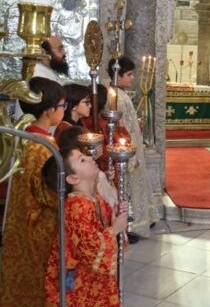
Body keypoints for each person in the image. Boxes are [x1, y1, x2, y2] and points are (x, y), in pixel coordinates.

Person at [0, 77, 66, 305]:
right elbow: (49, 194)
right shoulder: (43, 147)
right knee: (38, 278)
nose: (64, 110)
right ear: (49, 110)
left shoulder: (24, 134)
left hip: (18, 215)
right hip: (38, 222)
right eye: (62, 105)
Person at [44, 147, 127, 307]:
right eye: (82, 159)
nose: (90, 158)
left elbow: (105, 230)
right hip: (80, 281)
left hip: (95, 280)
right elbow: (91, 250)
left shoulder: (94, 198)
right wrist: (115, 229)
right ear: (73, 178)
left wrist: (115, 215)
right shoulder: (77, 206)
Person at [107, 57, 160, 238]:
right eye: (129, 74)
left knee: (137, 185)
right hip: (128, 153)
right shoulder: (115, 97)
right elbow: (120, 130)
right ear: (118, 75)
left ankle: (142, 220)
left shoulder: (119, 94)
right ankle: (131, 227)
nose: (132, 78)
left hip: (133, 149)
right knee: (128, 189)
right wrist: (131, 157)